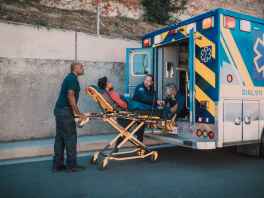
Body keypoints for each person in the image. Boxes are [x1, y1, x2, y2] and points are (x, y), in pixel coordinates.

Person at [52, 62, 87, 172]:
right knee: (70, 138)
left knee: (60, 138)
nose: (83, 69)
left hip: (59, 110)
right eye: (81, 67)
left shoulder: (69, 77)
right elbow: (70, 96)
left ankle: (57, 165)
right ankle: (71, 165)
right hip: (65, 112)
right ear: (75, 70)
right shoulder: (73, 79)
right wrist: (78, 113)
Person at [97, 76, 131, 153]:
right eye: (109, 83)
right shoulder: (113, 95)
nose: (111, 83)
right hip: (127, 113)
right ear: (106, 87)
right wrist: (128, 100)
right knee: (125, 131)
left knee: (123, 132)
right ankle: (140, 145)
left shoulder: (108, 95)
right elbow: (125, 105)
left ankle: (116, 149)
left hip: (121, 114)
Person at [133, 74, 163, 155]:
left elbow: (154, 100)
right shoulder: (140, 87)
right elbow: (144, 98)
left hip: (146, 111)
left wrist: (158, 106)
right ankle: (139, 149)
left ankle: (139, 147)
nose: (146, 82)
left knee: (141, 129)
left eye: (149, 81)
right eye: (146, 80)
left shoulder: (152, 89)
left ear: (152, 82)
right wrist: (156, 102)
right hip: (138, 110)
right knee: (141, 129)